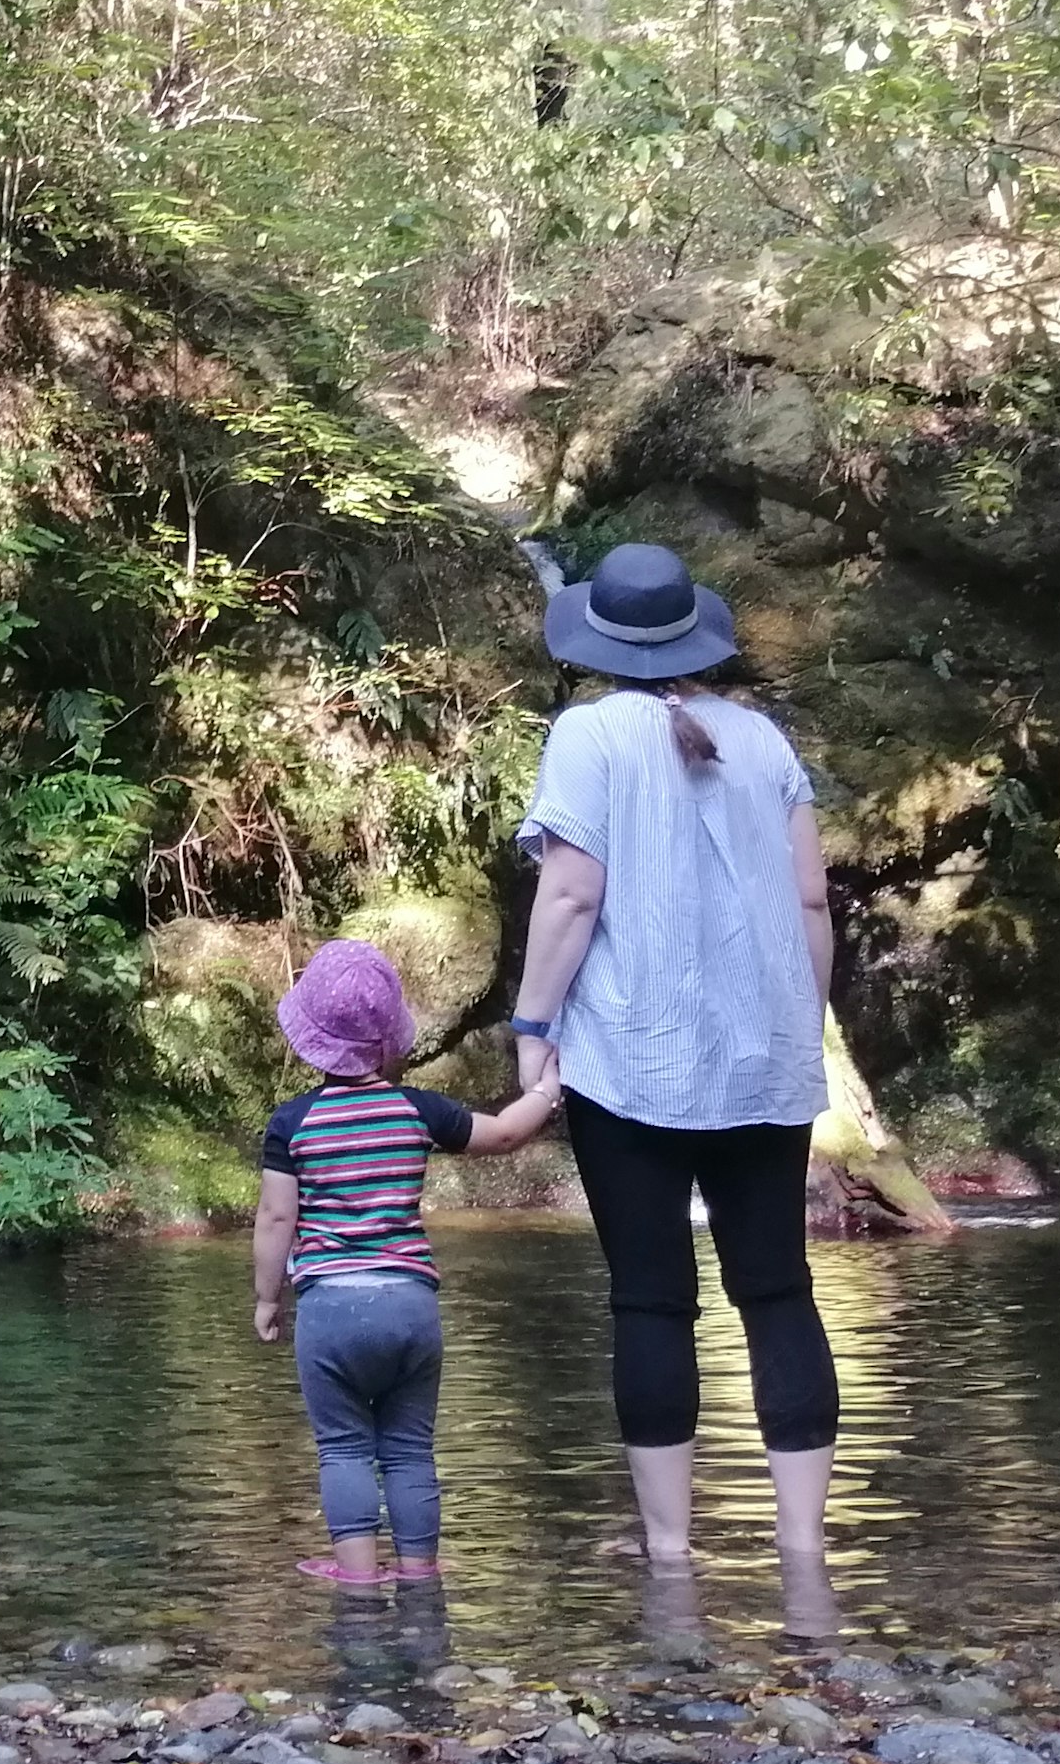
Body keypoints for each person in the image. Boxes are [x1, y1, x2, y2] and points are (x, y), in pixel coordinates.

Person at [503, 538, 839, 1576]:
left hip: (629, 1062)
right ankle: (801, 1548)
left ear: (600, 642)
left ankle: (669, 1549)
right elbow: (814, 901)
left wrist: (531, 1027)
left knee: (653, 1298)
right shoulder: (764, 741)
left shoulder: (588, 735)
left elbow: (570, 893)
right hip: (763, 1063)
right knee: (777, 1290)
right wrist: (797, 1021)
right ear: (694, 634)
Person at [253, 938, 564, 1587]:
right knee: (409, 1448)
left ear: (311, 1038)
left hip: (331, 1307)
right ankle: (420, 1570)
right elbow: (504, 1134)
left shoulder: (293, 1124)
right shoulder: (417, 1110)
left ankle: (359, 1577)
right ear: (389, 1037)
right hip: (409, 1305)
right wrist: (546, 1091)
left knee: (343, 1448)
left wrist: (265, 1298)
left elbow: (277, 1219)